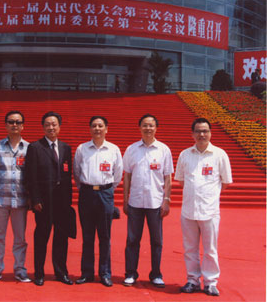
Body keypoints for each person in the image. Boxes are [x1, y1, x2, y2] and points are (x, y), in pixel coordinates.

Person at [175, 118, 232, 297]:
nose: (202, 134)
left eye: (205, 131)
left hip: (210, 211)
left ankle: (210, 282)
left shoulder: (219, 154)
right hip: (188, 211)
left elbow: (225, 182)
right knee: (190, 248)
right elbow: (182, 180)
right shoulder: (185, 154)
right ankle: (192, 280)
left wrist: (209, 196)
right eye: (198, 131)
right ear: (192, 134)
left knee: (210, 249)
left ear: (210, 133)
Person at [122, 114, 173, 288]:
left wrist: (166, 200)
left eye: (151, 125)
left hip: (155, 202)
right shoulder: (131, 149)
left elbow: (168, 177)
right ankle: (130, 273)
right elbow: (127, 176)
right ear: (140, 128)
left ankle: (156, 274)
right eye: (144, 125)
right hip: (135, 202)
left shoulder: (163, 150)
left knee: (157, 240)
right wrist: (125, 199)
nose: (148, 129)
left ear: (156, 128)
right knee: (132, 240)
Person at [24, 111, 74, 286]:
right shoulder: (35, 147)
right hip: (43, 203)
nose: (51, 127)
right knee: (42, 237)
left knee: (61, 238)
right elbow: (30, 176)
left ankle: (61, 272)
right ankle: (39, 273)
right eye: (47, 124)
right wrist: (35, 199)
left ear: (59, 126)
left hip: (62, 203)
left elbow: (68, 174)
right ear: (43, 127)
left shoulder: (66, 148)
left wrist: (69, 202)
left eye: (54, 124)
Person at [73, 116, 123, 287]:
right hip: (86, 193)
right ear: (90, 129)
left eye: (100, 126)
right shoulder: (82, 149)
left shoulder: (113, 149)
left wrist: (107, 189)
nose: (97, 129)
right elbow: (77, 172)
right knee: (87, 236)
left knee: (104, 236)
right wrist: (86, 188)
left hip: (105, 194)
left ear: (106, 129)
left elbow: (117, 174)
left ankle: (105, 273)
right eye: (94, 126)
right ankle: (86, 273)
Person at [0, 111, 31, 283]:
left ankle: (20, 269)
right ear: (5, 125)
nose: (14, 125)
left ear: (23, 126)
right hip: (1, 199)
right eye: (11, 122)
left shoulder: (28, 148)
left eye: (18, 122)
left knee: (20, 238)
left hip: (20, 200)